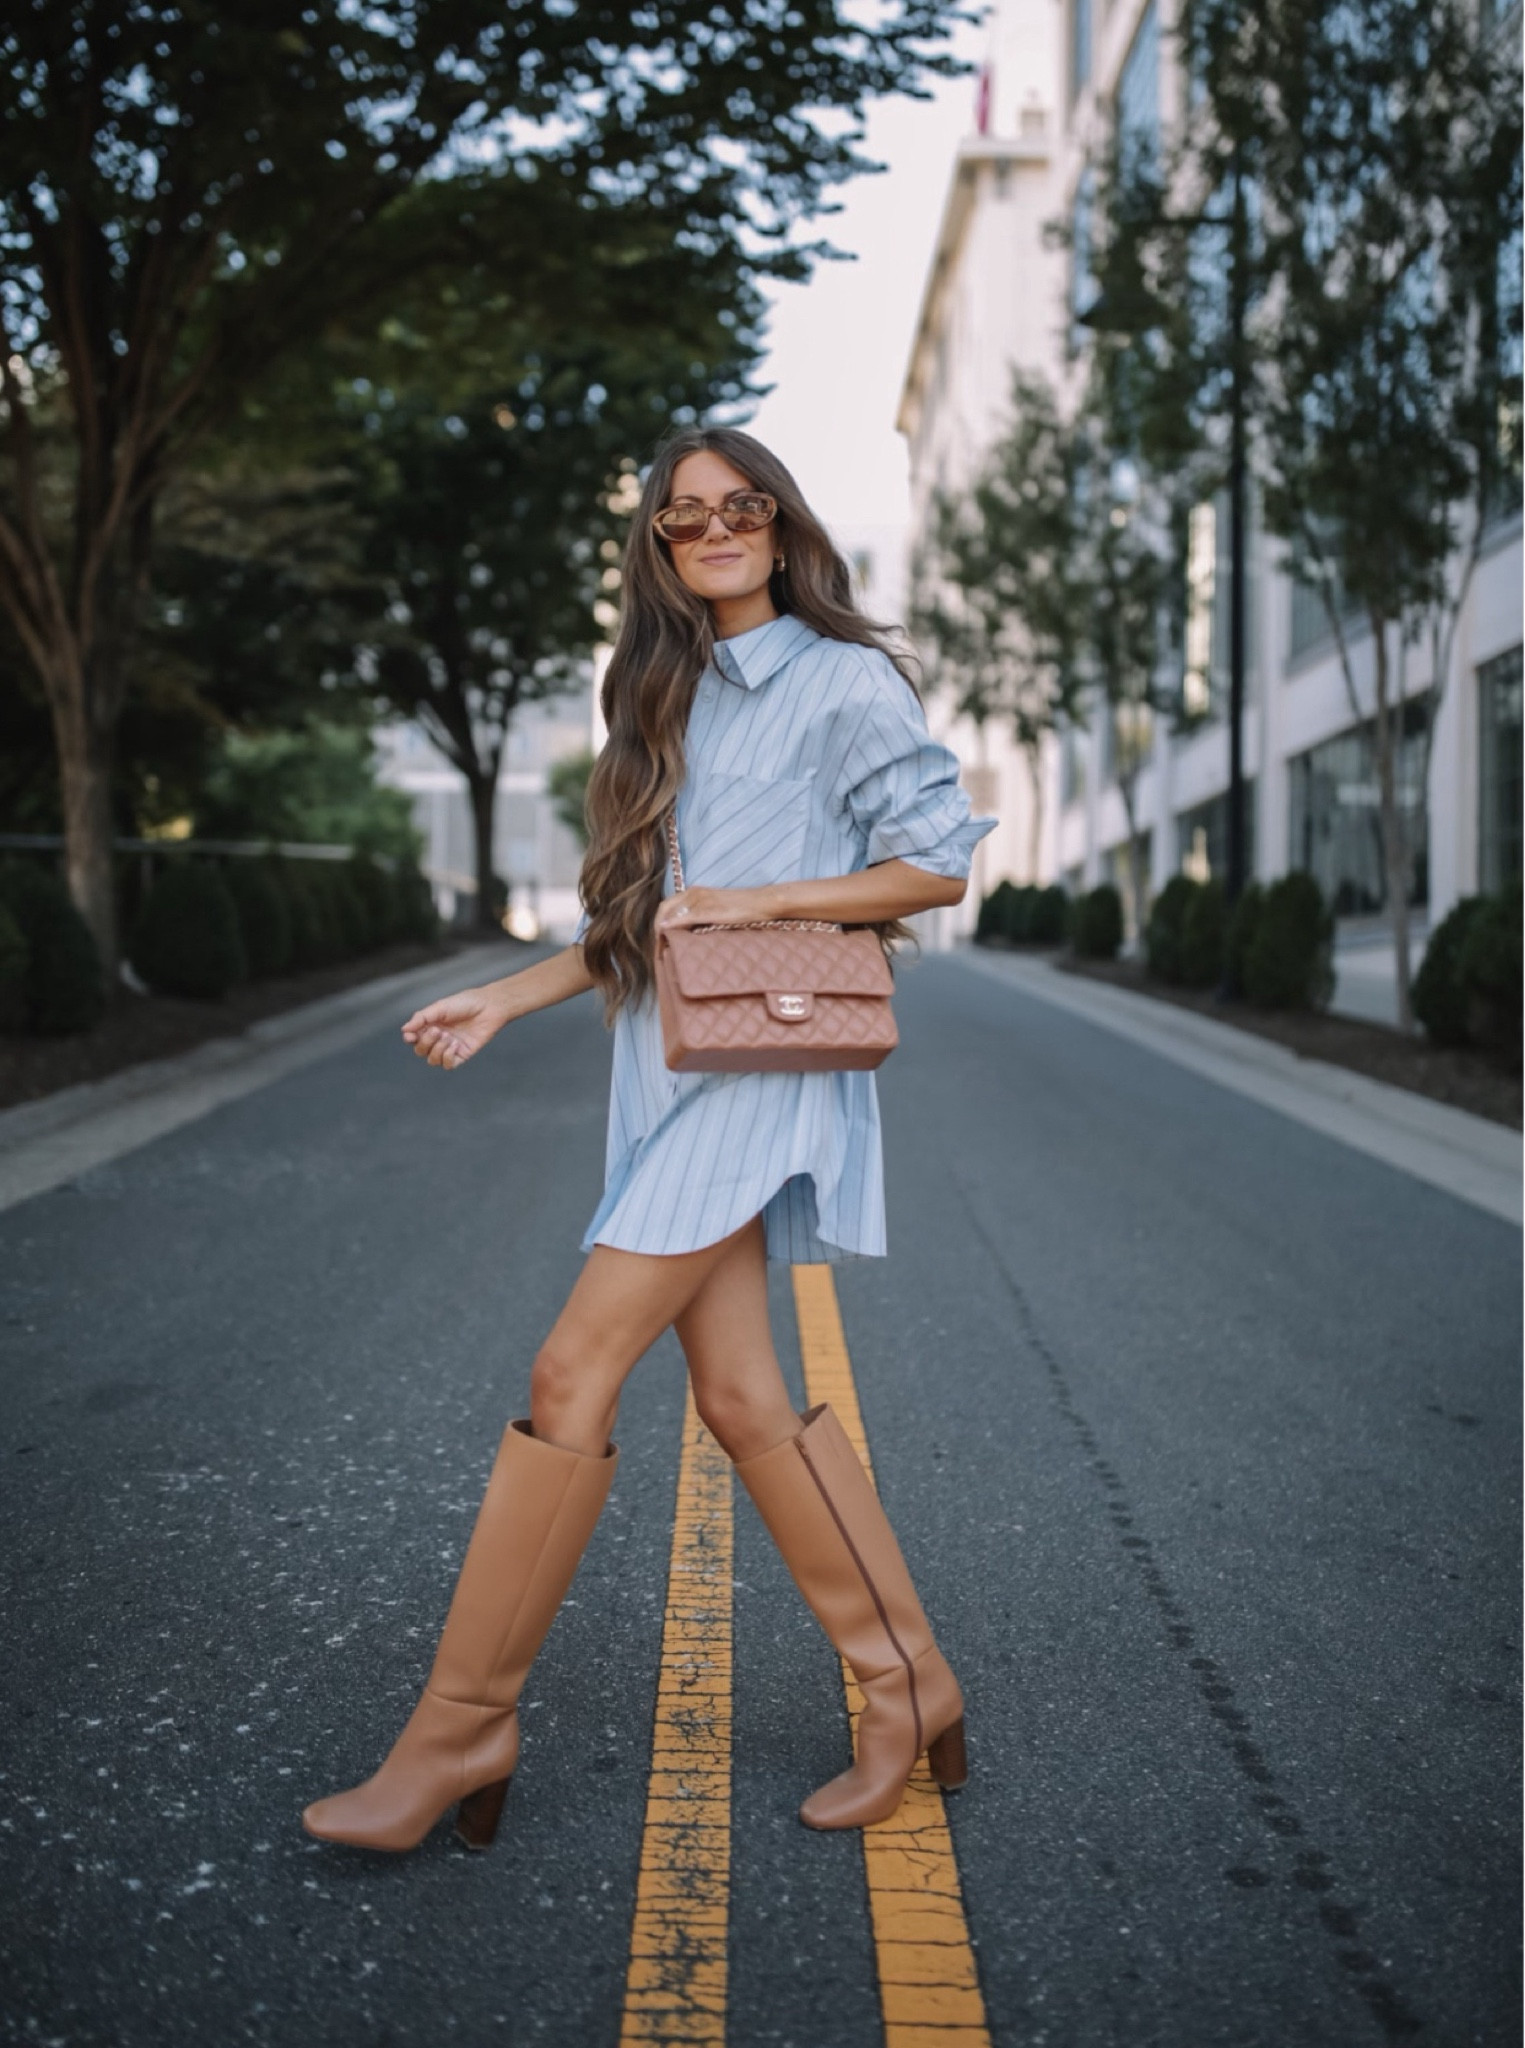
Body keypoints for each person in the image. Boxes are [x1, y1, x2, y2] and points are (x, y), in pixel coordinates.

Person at [301, 426, 994, 1854]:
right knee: (743, 1401)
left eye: (740, 504)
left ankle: (460, 1730)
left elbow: (932, 860)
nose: (716, 529)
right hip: (669, 1061)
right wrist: (501, 996)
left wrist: (749, 908)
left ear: (781, 522)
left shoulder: (838, 676)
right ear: (660, 549)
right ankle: (904, 1682)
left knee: (572, 1368)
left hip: (760, 1065)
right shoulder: (663, 692)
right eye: (685, 518)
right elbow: (635, 926)